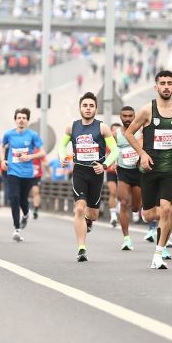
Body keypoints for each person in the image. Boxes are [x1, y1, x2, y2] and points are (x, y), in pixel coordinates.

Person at [123, 70, 172, 270]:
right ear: (156, 87)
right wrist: (142, 154)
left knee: (167, 208)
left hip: (169, 168)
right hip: (149, 169)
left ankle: (158, 253)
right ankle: (156, 220)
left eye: (169, 83)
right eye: (162, 83)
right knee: (149, 215)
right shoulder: (147, 110)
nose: (166, 86)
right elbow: (129, 133)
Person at [59, 92, 119, 261]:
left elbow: (115, 150)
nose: (88, 108)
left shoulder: (102, 128)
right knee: (79, 208)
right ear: (80, 108)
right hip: (79, 171)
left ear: (96, 109)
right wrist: (63, 156)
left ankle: (88, 220)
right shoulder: (72, 127)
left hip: (96, 173)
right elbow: (62, 146)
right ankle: (81, 248)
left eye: (91, 106)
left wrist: (105, 165)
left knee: (92, 214)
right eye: (85, 105)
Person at [0, 108, 44, 242]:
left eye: (24, 118)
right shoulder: (9, 134)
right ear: (15, 119)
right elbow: (1, 146)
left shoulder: (32, 135)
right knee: (13, 197)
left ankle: (26, 214)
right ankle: (17, 228)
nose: (21, 120)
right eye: (19, 117)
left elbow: (42, 152)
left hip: (27, 173)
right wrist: (2, 160)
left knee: (23, 200)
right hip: (13, 171)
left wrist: (30, 156)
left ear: (27, 120)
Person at [114, 106, 143, 251]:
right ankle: (126, 239)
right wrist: (111, 161)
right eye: (124, 116)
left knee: (136, 207)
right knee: (124, 202)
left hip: (138, 172)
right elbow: (112, 150)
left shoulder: (141, 132)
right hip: (123, 171)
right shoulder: (116, 134)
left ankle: (139, 210)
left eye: (130, 116)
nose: (127, 119)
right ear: (120, 117)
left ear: (134, 116)